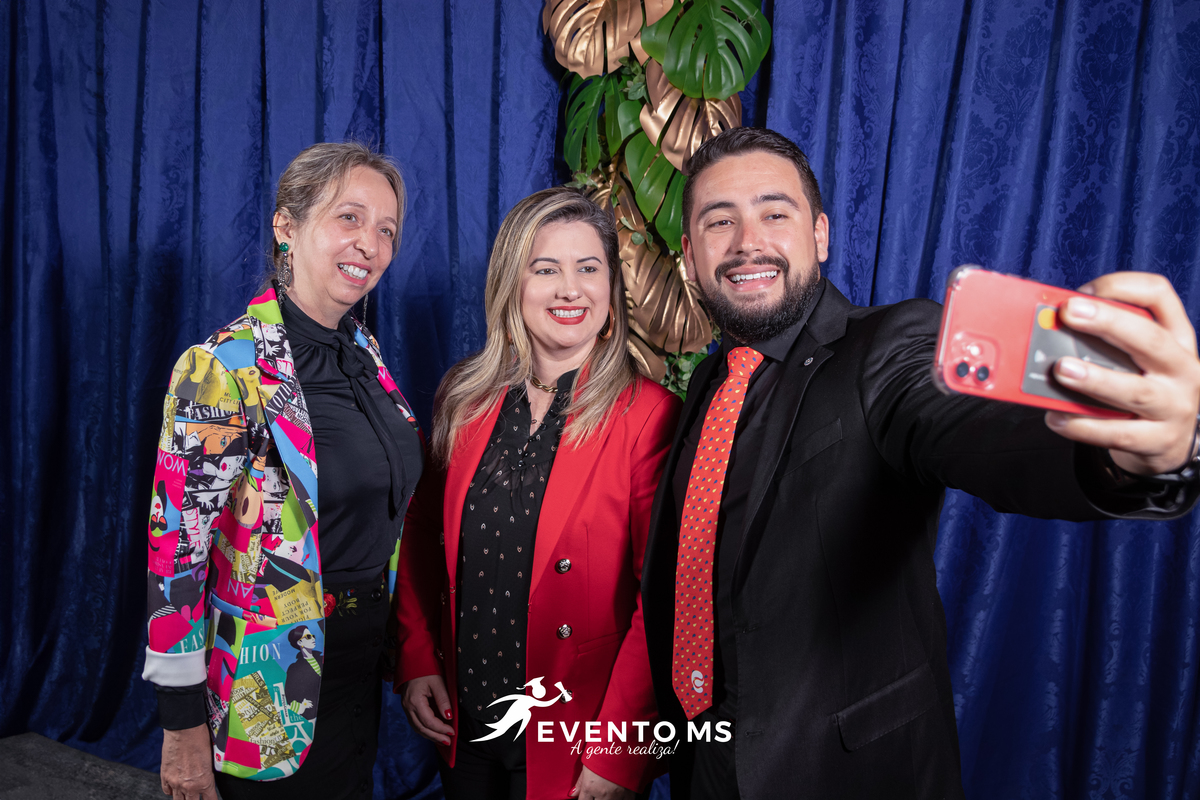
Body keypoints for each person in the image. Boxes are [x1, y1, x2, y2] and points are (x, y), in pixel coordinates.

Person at [638, 127, 1200, 799]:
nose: (747, 242)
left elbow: (975, 428)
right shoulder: (708, 385)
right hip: (703, 764)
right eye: (719, 221)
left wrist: (1126, 452)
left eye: (775, 213)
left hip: (847, 777)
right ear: (690, 255)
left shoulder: (890, 347)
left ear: (820, 235)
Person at [143, 141, 423, 800]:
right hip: (267, 682)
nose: (370, 244)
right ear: (287, 226)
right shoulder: (223, 366)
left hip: (356, 668)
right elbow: (175, 554)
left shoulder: (364, 353)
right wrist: (181, 727)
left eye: (387, 229)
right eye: (349, 217)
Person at [395, 187, 681, 800]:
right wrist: (417, 656)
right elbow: (420, 534)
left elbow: (661, 599)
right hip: (466, 725)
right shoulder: (463, 398)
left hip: (576, 738)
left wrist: (620, 752)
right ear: (512, 284)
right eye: (546, 269)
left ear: (612, 289)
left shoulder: (648, 416)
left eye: (588, 268)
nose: (569, 290)